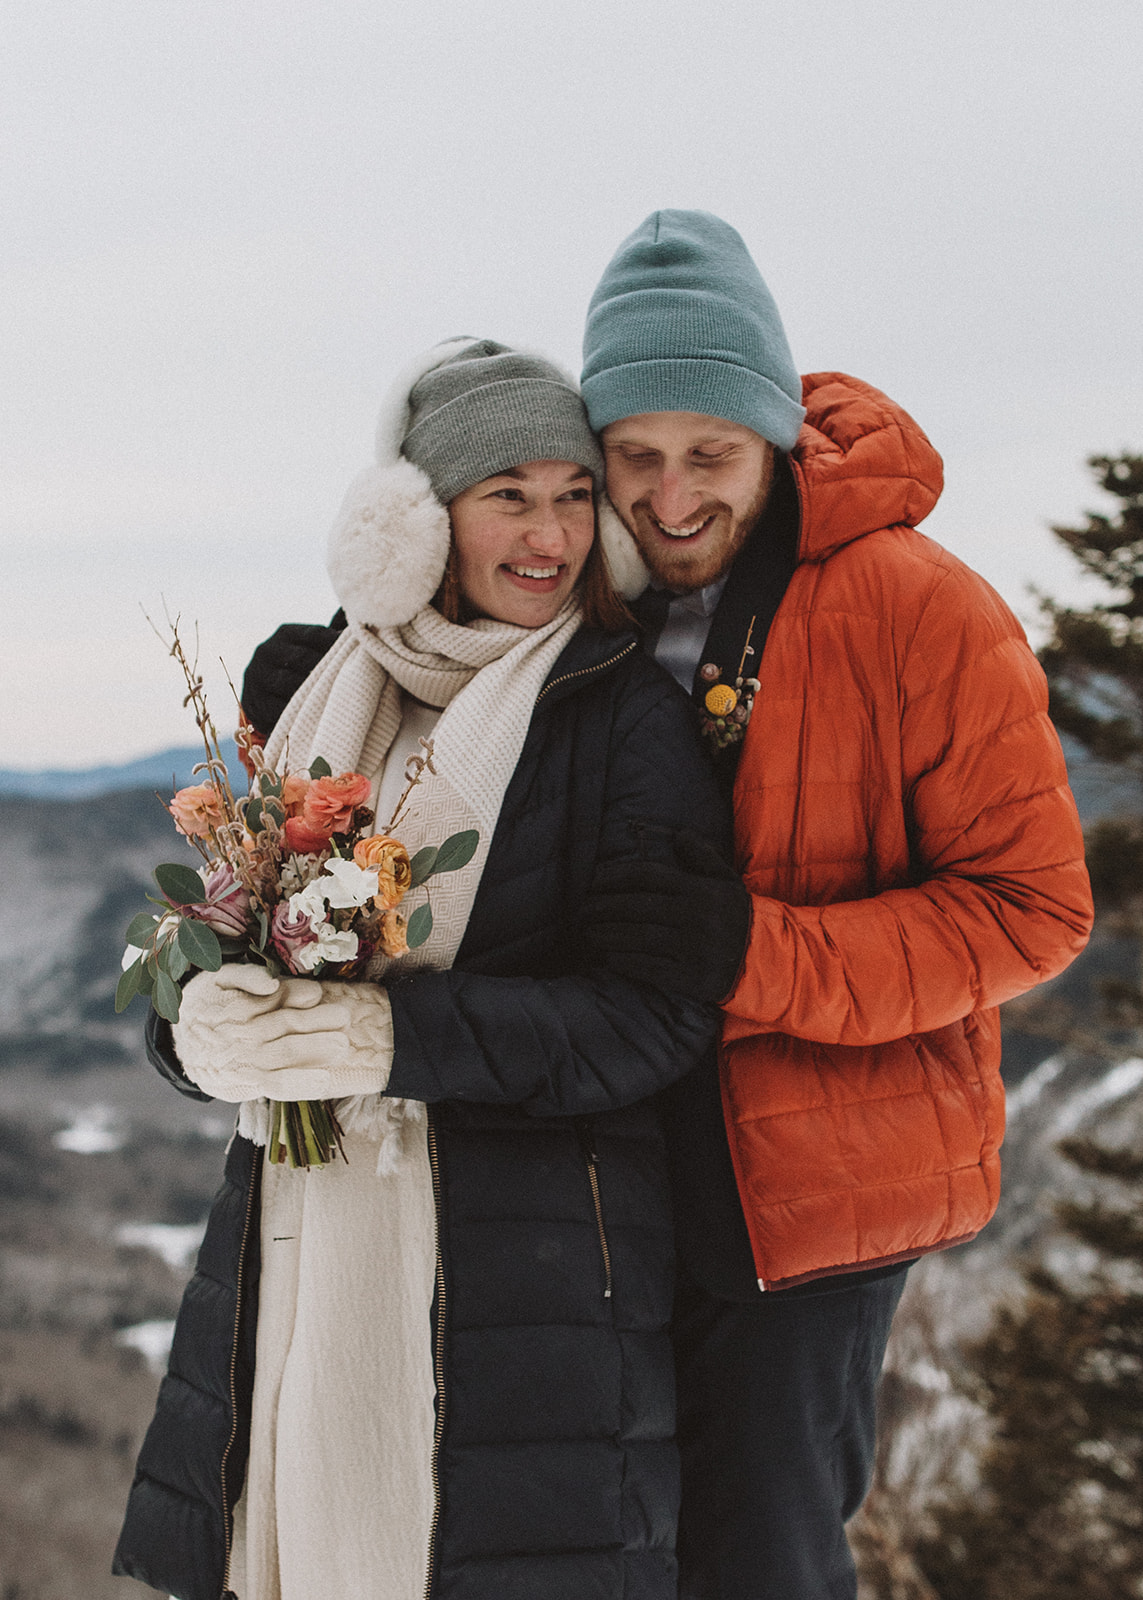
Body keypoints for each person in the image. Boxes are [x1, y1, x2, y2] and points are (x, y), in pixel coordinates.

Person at [112, 338, 748, 1600]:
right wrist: (201, 1029)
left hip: (529, 1291)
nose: (551, 533)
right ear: (418, 522)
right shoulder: (315, 702)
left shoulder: (622, 715)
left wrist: (390, 1042)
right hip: (297, 1259)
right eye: (507, 492)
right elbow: (225, 940)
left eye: (575, 493)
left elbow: (655, 1018)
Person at [575, 211, 1096, 1600]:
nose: (669, 496)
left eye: (709, 456)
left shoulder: (918, 607)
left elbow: (1028, 910)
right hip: (597, 1178)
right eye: (634, 455)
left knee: (758, 1564)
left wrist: (758, 954)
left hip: (811, 1199)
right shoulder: (583, 600)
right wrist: (310, 690)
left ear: (772, 439)